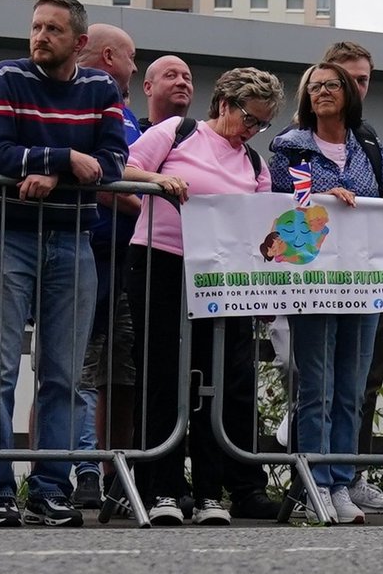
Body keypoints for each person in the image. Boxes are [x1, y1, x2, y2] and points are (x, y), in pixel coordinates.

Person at [0, 0, 128, 528]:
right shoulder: (5, 76)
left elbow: (112, 163)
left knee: (63, 373)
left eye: (53, 29)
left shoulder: (102, 88)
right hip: (4, 236)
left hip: (71, 240)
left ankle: (49, 489)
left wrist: (54, 173)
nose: (39, 36)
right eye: (36, 27)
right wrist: (66, 158)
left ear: (80, 43)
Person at [122, 67, 284, 525]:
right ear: (225, 105)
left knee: (222, 379)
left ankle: (211, 491)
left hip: (223, 276)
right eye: (249, 119)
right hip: (162, 260)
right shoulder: (177, 131)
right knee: (163, 376)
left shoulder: (254, 163)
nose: (252, 131)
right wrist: (157, 181)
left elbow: (262, 225)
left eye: (262, 124)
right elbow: (120, 165)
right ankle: (163, 490)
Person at [265, 61, 383, 524]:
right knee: (318, 386)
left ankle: (342, 482)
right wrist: (331, 192)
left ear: (348, 93)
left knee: (350, 387)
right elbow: (291, 197)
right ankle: (315, 483)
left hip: (362, 279)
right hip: (316, 279)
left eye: (332, 85)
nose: (323, 92)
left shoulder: (368, 142)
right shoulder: (291, 144)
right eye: (315, 87)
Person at [71, 22, 143, 511]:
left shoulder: (127, 114)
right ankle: (63, 469)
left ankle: (113, 475)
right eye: (132, 58)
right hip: (86, 251)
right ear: (112, 56)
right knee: (72, 367)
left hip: (124, 261)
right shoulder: (77, 104)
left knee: (119, 373)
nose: (135, 68)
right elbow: (100, 177)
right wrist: (141, 204)